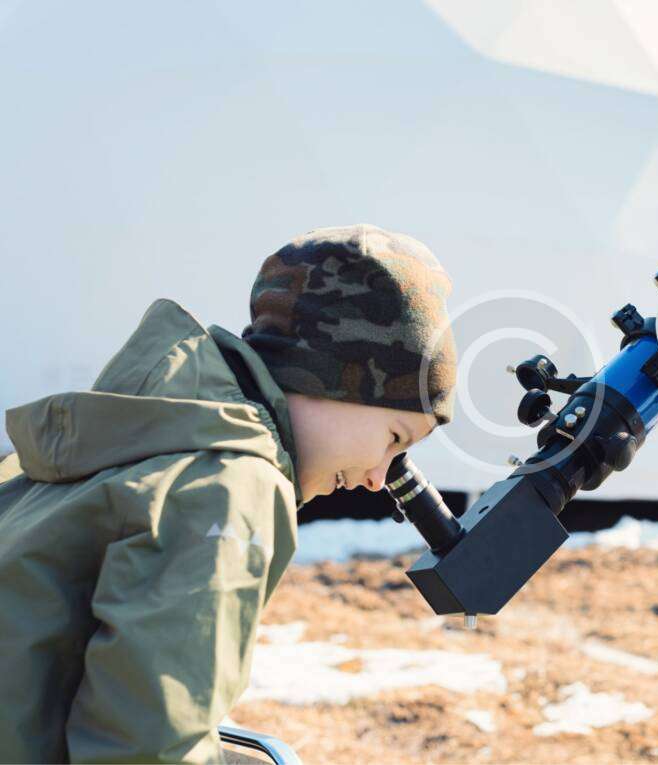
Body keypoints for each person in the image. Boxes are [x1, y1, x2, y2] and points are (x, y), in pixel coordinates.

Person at [0, 224, 457, 763]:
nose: (379, 478)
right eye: (394, 439)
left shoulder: (144, 437)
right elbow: (148, 748)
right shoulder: (230, 484)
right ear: (336, 379)